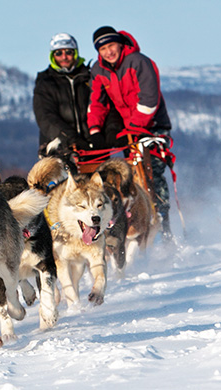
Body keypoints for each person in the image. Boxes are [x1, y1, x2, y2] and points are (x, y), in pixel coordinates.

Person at [87, 26, 173, 240]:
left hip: (152, 125)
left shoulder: (138, 62)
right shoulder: (99, 70)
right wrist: (95, 130)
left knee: (152, 172)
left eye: (111, 45)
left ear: (119, 44)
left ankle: (163, 224)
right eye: (103, 48)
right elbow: (96, 103)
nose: (109, 52)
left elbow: (149, 99)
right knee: (133, 178)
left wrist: (136, 127)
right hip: (130, 131)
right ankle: (139, 225)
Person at [33, 32, 114, 160]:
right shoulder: (45, 82)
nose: (64, 57)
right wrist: (71, 139)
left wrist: (105, 135)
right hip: (59, 148)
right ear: (53, 56)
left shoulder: (89, 77)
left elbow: (103, 105)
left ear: (75, 53)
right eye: (59, 53)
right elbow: (45, 117)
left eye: (69, 52)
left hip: (92, 147)